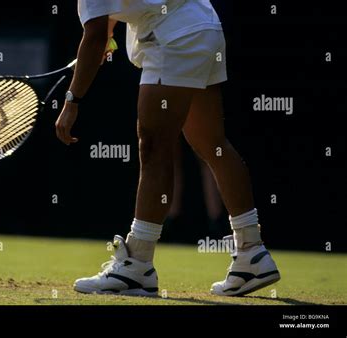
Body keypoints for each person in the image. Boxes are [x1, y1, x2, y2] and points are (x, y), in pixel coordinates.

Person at [55, 0, 280, 297]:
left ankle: (137, 265)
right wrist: (103, 38)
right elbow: (103, 27)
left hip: (174, 38)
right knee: (213, 144)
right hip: (203, 26)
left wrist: (72, 101)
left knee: (154, 148)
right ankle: (252, 253)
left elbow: (96, 33)